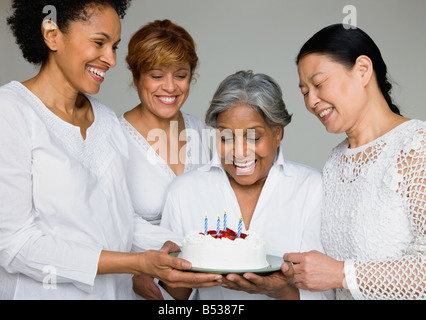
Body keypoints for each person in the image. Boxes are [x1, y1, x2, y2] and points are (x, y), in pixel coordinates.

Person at [0, 0, 220, 300]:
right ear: (52, 34)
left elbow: (119, 220)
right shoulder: (7, 110)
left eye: (114, 46)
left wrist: (196, 251)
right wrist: (136, 263)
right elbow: (13, 246)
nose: (111, 59)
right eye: (99, 42)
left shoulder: (104, 119)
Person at [159, 70, 333, 300]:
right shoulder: (184, 192)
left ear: (277, 133)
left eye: (254, 137)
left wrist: (279, 290)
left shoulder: (311, 188)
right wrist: (170, 274)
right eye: (225, 138)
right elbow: (171, 300)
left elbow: (327, 294)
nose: (239, 153)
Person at [283, 23, 426, 300]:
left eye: (319, 83)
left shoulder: (417, 146)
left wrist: (341, 274)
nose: (312, 100)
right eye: (304, 91)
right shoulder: (335, 161)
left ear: (362, 70)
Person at [119, 20, 210, 300]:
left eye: (180, 75)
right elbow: (114, 220)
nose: (170, 87)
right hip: (140, 284)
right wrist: (186, 251)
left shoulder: (204, 133)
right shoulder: (113, 137)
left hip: (204, 284)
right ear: (136, 77)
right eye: (157, 75)